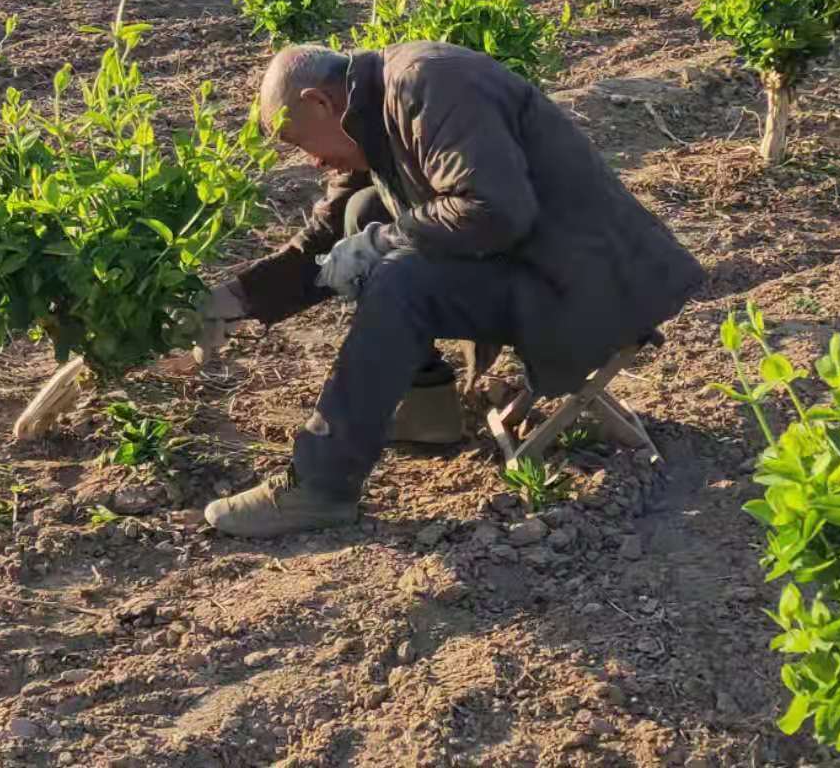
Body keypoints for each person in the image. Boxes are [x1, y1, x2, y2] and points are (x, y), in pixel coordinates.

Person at [197, 41, 705, 538]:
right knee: (364, 213)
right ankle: (427, 408)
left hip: (590, 286)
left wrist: (385, 242)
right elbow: (325, 240)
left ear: (320, 103)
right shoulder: (372, 113)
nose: (312, 162)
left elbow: (495, 208)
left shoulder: (427, 85)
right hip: (544, 265)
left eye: (300, 144)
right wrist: (235, 300)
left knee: (401, 279)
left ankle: (319, 486)